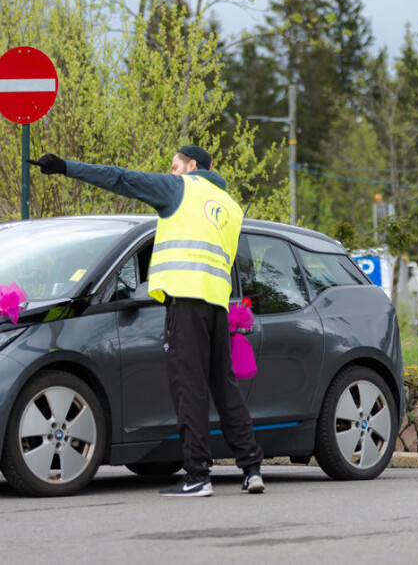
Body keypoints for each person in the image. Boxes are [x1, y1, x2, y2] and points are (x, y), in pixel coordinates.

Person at [28, 146, 264, 498]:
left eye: (174, 166)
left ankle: (198, 476)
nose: (170, 172)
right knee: (224, 388)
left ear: (192, 166)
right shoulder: (229, 206)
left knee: (189, 390)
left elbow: (122, 178)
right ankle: (251, 469)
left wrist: (65, 167)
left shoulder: (180, 188)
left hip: (184, 301)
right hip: (217, 306)